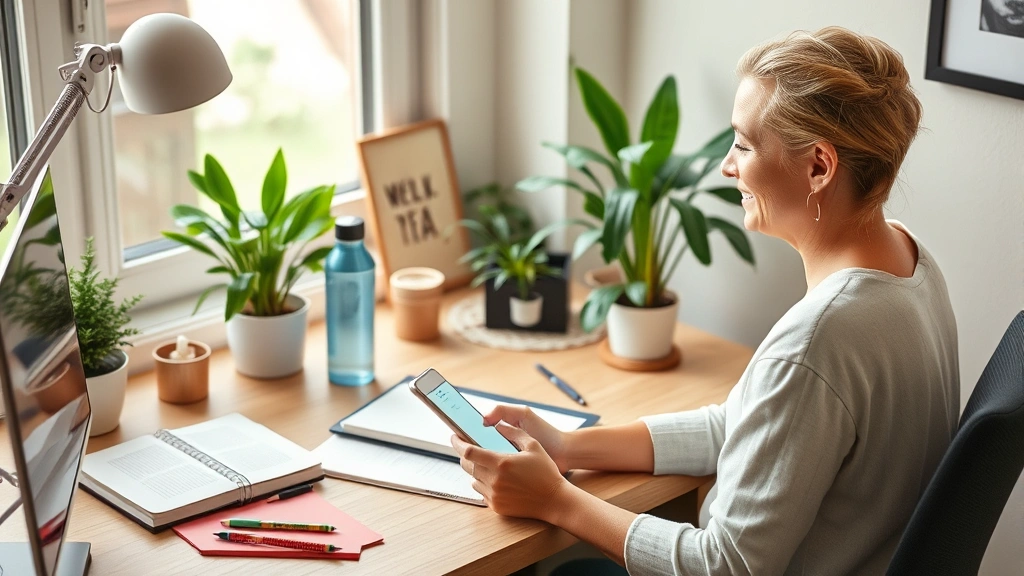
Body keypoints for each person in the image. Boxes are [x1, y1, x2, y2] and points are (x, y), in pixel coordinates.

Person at [452, 26, 960, 575]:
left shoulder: (822, 338)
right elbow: (742, 426)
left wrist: (556, 500)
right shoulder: (909, 259)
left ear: (819, 166)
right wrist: (569, 448)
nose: (727, 165)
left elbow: (726, 567)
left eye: (743, 143)